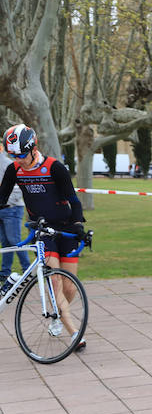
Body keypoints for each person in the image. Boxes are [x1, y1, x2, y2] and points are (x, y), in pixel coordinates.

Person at [0, 124, 88, 350]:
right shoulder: (14, 171)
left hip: (66, 229)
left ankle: (57, 317)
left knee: (69, 288)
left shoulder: (54, 167)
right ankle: (74, 334)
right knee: (55, 281)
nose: (17, 159)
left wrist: (78, 224)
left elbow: (74, 200)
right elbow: (1, 198)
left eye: (20, 154)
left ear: (32, 148)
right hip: (42, 231)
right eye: (12, 155)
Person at [0, 151, 29, 285]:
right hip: (2, 209)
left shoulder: (8, 164)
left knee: (15, 241)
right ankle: (5, 272)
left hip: (12, 208)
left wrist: (6, 202)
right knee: (5, 242)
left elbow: (18, 188)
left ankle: (27, 270)